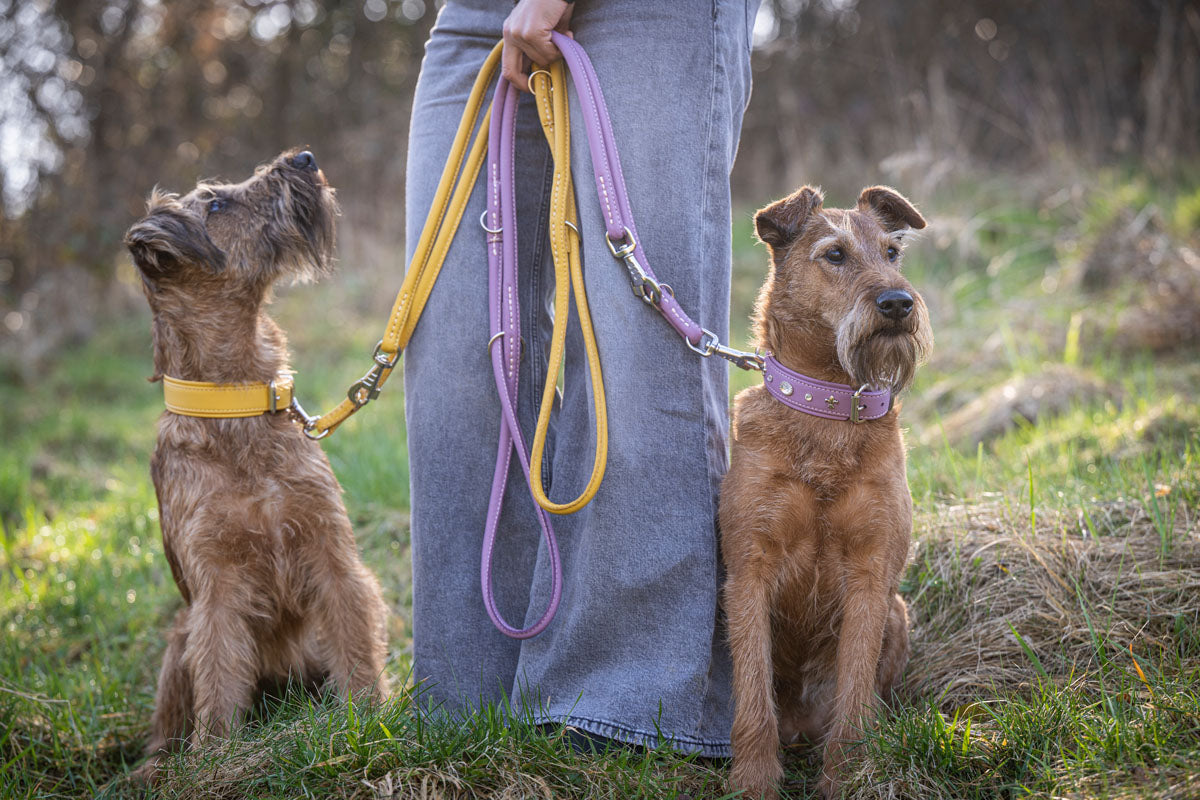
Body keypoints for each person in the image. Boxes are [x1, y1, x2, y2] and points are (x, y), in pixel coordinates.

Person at [402, 0, 758, 756]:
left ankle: (627, 709)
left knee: (631, 345)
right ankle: (466, 703)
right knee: (457, 342)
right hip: (478, 13)